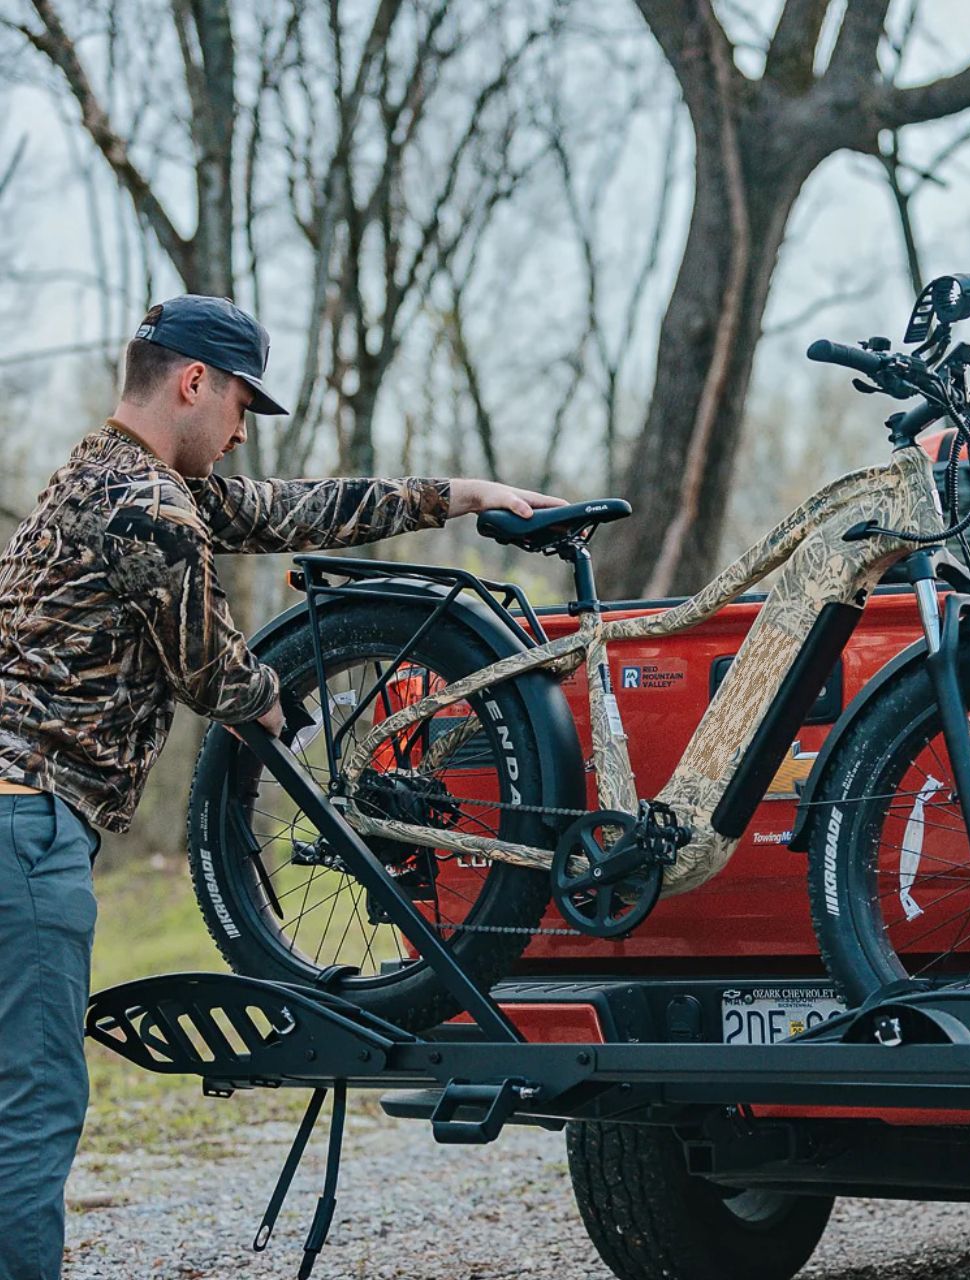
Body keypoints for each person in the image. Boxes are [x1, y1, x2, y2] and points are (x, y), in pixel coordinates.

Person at [0, 294, 565, 1280]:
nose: (238, 433)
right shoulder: (148, 506)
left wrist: (457, 495)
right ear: (192, 382)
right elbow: (212, 674)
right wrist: (286, 714)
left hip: (22, 821)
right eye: (238, 408)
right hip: (25, 827)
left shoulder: (110, 473)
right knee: (33, 1099)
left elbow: (287, 511)